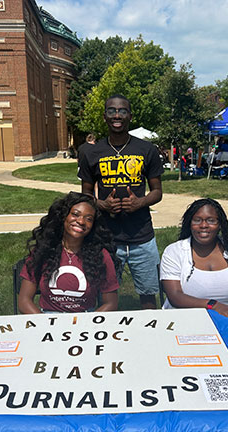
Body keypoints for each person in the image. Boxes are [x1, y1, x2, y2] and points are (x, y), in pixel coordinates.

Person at [78, 94, 164, 309]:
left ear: (130, 116)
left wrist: (140, 202)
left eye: (122, 111)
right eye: (112, 111)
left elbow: (157, 191)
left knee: (148, 296)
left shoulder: (147, 150)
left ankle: (149, 337)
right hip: (106, 238)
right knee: (104, 297)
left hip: (142, 236)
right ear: (105, 116)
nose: (117, 115)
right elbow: (86, 194)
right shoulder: (92, 152)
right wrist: (102, 205)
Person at [160, 198, 228, 326]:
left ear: (220, 225)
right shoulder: (174, 252)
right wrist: (214, 305)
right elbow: (175, 296)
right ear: (189, 223)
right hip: (186, 321)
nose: (204, 225)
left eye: (211, 220)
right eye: (197, 220)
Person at [18, 192, 119, 314]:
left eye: (89, 219)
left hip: (85, 318)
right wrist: (46, 324)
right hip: (47, 317)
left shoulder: (100, 255)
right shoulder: (44, 250)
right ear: (63, 216)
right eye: (75, 214)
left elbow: (111, 303)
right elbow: (24, 301)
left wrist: (89, 323)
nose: (81, 221)